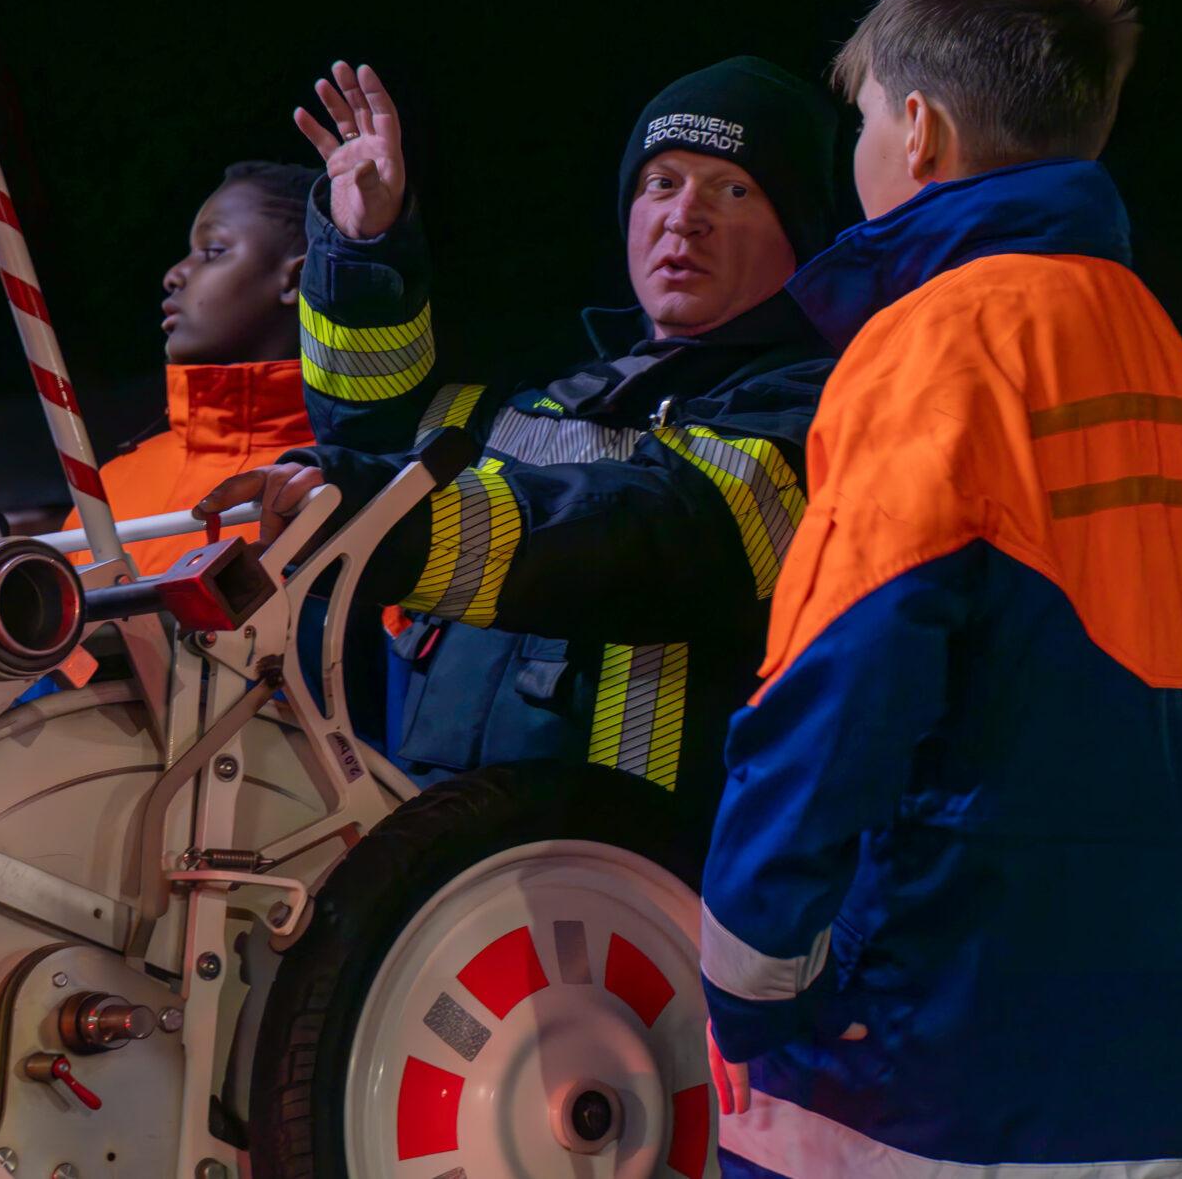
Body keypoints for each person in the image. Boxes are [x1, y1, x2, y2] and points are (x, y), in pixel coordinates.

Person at [698, 0, 1182, 1178]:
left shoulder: (936, 346)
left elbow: (836, 685)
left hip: (918, 1075)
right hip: (1153, 1089)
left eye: (861, 121)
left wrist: (751, 984)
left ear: (918, 132)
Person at [196, 57, 839, 834]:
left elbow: (650, 534)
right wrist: (364, 249)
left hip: (652, 880)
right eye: (660, 182)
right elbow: (372, 439)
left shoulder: (818, 405)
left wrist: (386, 518)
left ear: (799, 230)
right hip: (455, 864)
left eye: (734, 189)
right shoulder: (536, 385)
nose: (685, 215)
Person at [67, 160, 321, 579]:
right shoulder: (106, 489)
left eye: (212, 252)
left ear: (295, 279)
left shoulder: (339, 474)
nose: (174, 275)